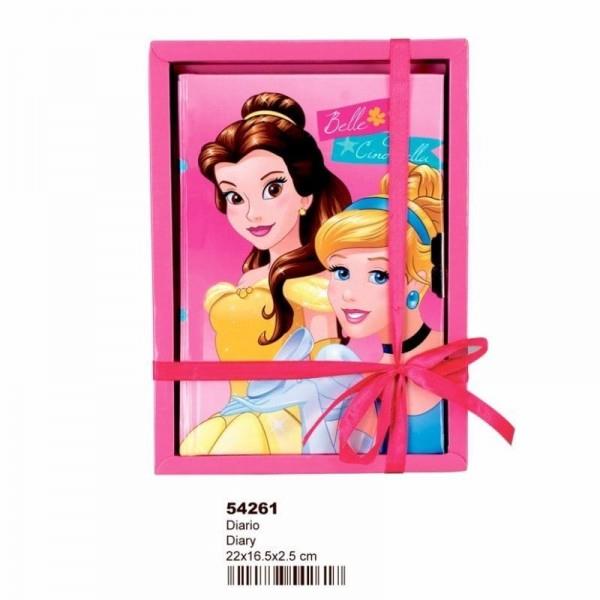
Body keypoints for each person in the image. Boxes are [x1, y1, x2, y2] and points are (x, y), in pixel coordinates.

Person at [180, 92, 351, 456]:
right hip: (234, 414)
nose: (253, 214)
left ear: (305, 195)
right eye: (235, 197)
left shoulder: (312, 282)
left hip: (288, 423)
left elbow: (330, 367)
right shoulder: (248, 277)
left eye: (272, 189)